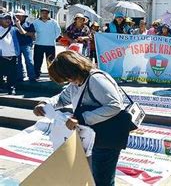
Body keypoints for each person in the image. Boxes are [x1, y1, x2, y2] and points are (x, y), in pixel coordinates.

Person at [33, 51, 130, 185]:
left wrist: (82, 118)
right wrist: (45, 104)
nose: (68, 82)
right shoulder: (76, 81)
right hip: (92, 135)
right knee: (91, 175)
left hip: (107, 136)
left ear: (73, 70)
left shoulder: (96, 79)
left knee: (102, 179)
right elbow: (62, 98)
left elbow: (114, 106)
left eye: (67, 78)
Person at [0, 13, 27, 95]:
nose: (8, 20)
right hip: (1, 55)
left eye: (9, 18)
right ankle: (1, 87)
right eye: (5, 18)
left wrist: (18, 24)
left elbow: (23, 32)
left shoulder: (13, 29)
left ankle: (11, 88)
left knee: (12, 73)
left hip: (13, 55)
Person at [32, 8, 61, 79]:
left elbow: (58, 32)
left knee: (51, 62)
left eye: (46, 13)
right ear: (40, 13)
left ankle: (52, 76)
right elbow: (33, 32)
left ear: (48, 14)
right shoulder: (35, 22)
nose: (44, 14)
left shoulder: (54, 22)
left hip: (50, 45)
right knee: (37, 61)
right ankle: (36, 75)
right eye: (43, 13)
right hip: (38, 44)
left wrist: (52, 38)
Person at [14, 9, 36, 82]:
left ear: (23, 16)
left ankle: (32, 77)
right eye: (16, 16)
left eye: (19, 16)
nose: (18, 17)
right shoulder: (12, 24)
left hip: (27, 45)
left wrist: (19, 26)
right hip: (16, 45)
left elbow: (32, 34)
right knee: (18, 62)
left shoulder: (29, 24)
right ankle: (20, 77)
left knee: (29, 61)